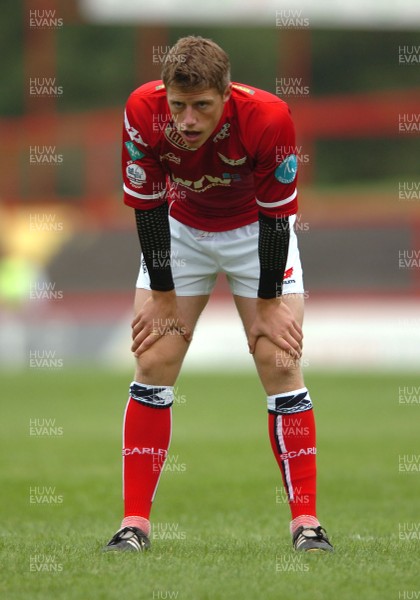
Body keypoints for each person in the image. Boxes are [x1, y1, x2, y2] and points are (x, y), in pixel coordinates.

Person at [104, 36, 333, 553]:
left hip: (256, 231)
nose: (187, 119)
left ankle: (306, 523)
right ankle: (134, 524)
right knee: (154, 359)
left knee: (279, 360)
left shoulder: (269, 118)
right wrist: (162, 293)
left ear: (226, 94)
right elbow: (147, 205)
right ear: (165, 94)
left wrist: (270, 302)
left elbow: (278, 219)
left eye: (202, 105)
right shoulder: (143, 109)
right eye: (179, 105)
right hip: (180, 230)